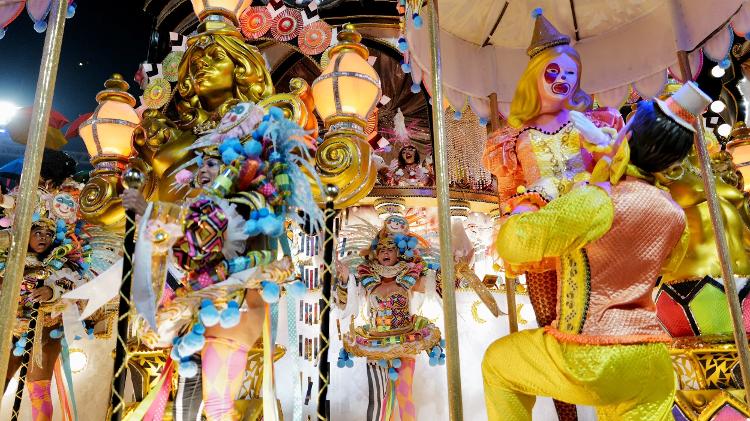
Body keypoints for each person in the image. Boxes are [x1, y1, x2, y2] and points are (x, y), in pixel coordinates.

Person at [482, 81, 711, 420]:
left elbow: (514, 246)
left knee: (498, 364)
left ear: (627, 137)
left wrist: (522, 211)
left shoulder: (596, 200)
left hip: (591, 357)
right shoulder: (675, 215)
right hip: (652, 364)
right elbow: (669, 266)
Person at [118, 102, 320, 421]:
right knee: (189, 400)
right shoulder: (204, 205)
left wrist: (149, 211)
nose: (204, 170)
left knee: (217, 406)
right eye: (202, 163)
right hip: (199, 312)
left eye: (214, 163)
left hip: (229, 311)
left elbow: (204, 239)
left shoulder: (238, 204)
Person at [481, 11, 623, 419]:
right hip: (542, 230)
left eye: (570, 72)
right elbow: (508, 193)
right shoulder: (510, 140)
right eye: (553, 71)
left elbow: (611, 169)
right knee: (551, 328)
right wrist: (518, 214)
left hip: (587, 224)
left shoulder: (593, 122)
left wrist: (606, 159)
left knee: (597, 322)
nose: (563, 80)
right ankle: (568, 416)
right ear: (535, 76)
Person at [0, 150, 96, 421]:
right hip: (11, 321)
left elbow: (76, 275)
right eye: (37, 232)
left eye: (48, 233)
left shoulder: (63, 246)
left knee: (39, 390)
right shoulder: (11, 253)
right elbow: (13, 205)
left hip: (47, 323)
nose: (42, 237)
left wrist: (52, 291)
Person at [335, 215, 442, 421]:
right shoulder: (367, 277)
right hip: (375, 343)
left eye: (390, 248)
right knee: (379, 398)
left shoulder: (409, 276)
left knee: (404, 394)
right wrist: (346, 279)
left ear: (398, 252)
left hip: (405, 342)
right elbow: (346, 301)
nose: (385, 252)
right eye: (382, 248)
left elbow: (433, 288)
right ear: (376, 253)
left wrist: (444, 272)